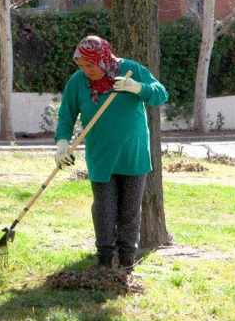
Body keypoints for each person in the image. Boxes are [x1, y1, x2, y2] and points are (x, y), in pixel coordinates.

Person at [54, 35, 168, 271]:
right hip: (101, 155)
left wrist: (138, 88)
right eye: (82, 65)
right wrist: (62, 143)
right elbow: (66, 114)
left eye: (90, 65)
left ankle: (127, 260)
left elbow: (160, 93)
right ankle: (105, 259)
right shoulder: (78, 82)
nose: (86, 70)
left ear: (103, 58)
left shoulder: (130, 70)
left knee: (130, 210)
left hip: (132, 153)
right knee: (104, 207)